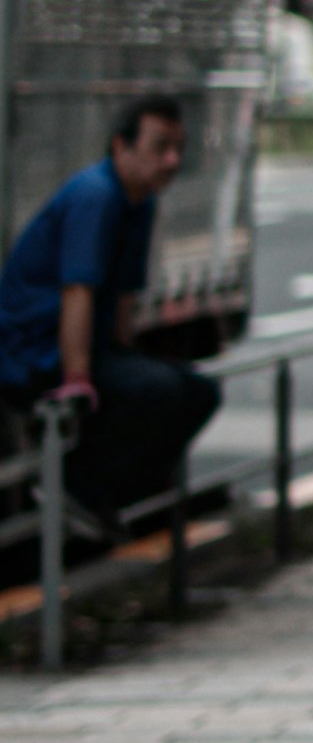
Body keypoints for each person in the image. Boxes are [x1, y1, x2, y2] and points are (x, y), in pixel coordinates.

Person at [0, 96, 215, 529]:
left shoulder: (141, 202)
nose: (172, 160)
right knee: (159, 392)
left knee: (200, 393)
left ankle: (105, 495)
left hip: (84, 346)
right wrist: (79, 380)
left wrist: (126, 353)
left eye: (178, 148)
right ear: (121, 147)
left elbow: (122, 298)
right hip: (36, 352)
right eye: (159, 147)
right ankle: (74, 486)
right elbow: (77, 291)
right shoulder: (96, 196)